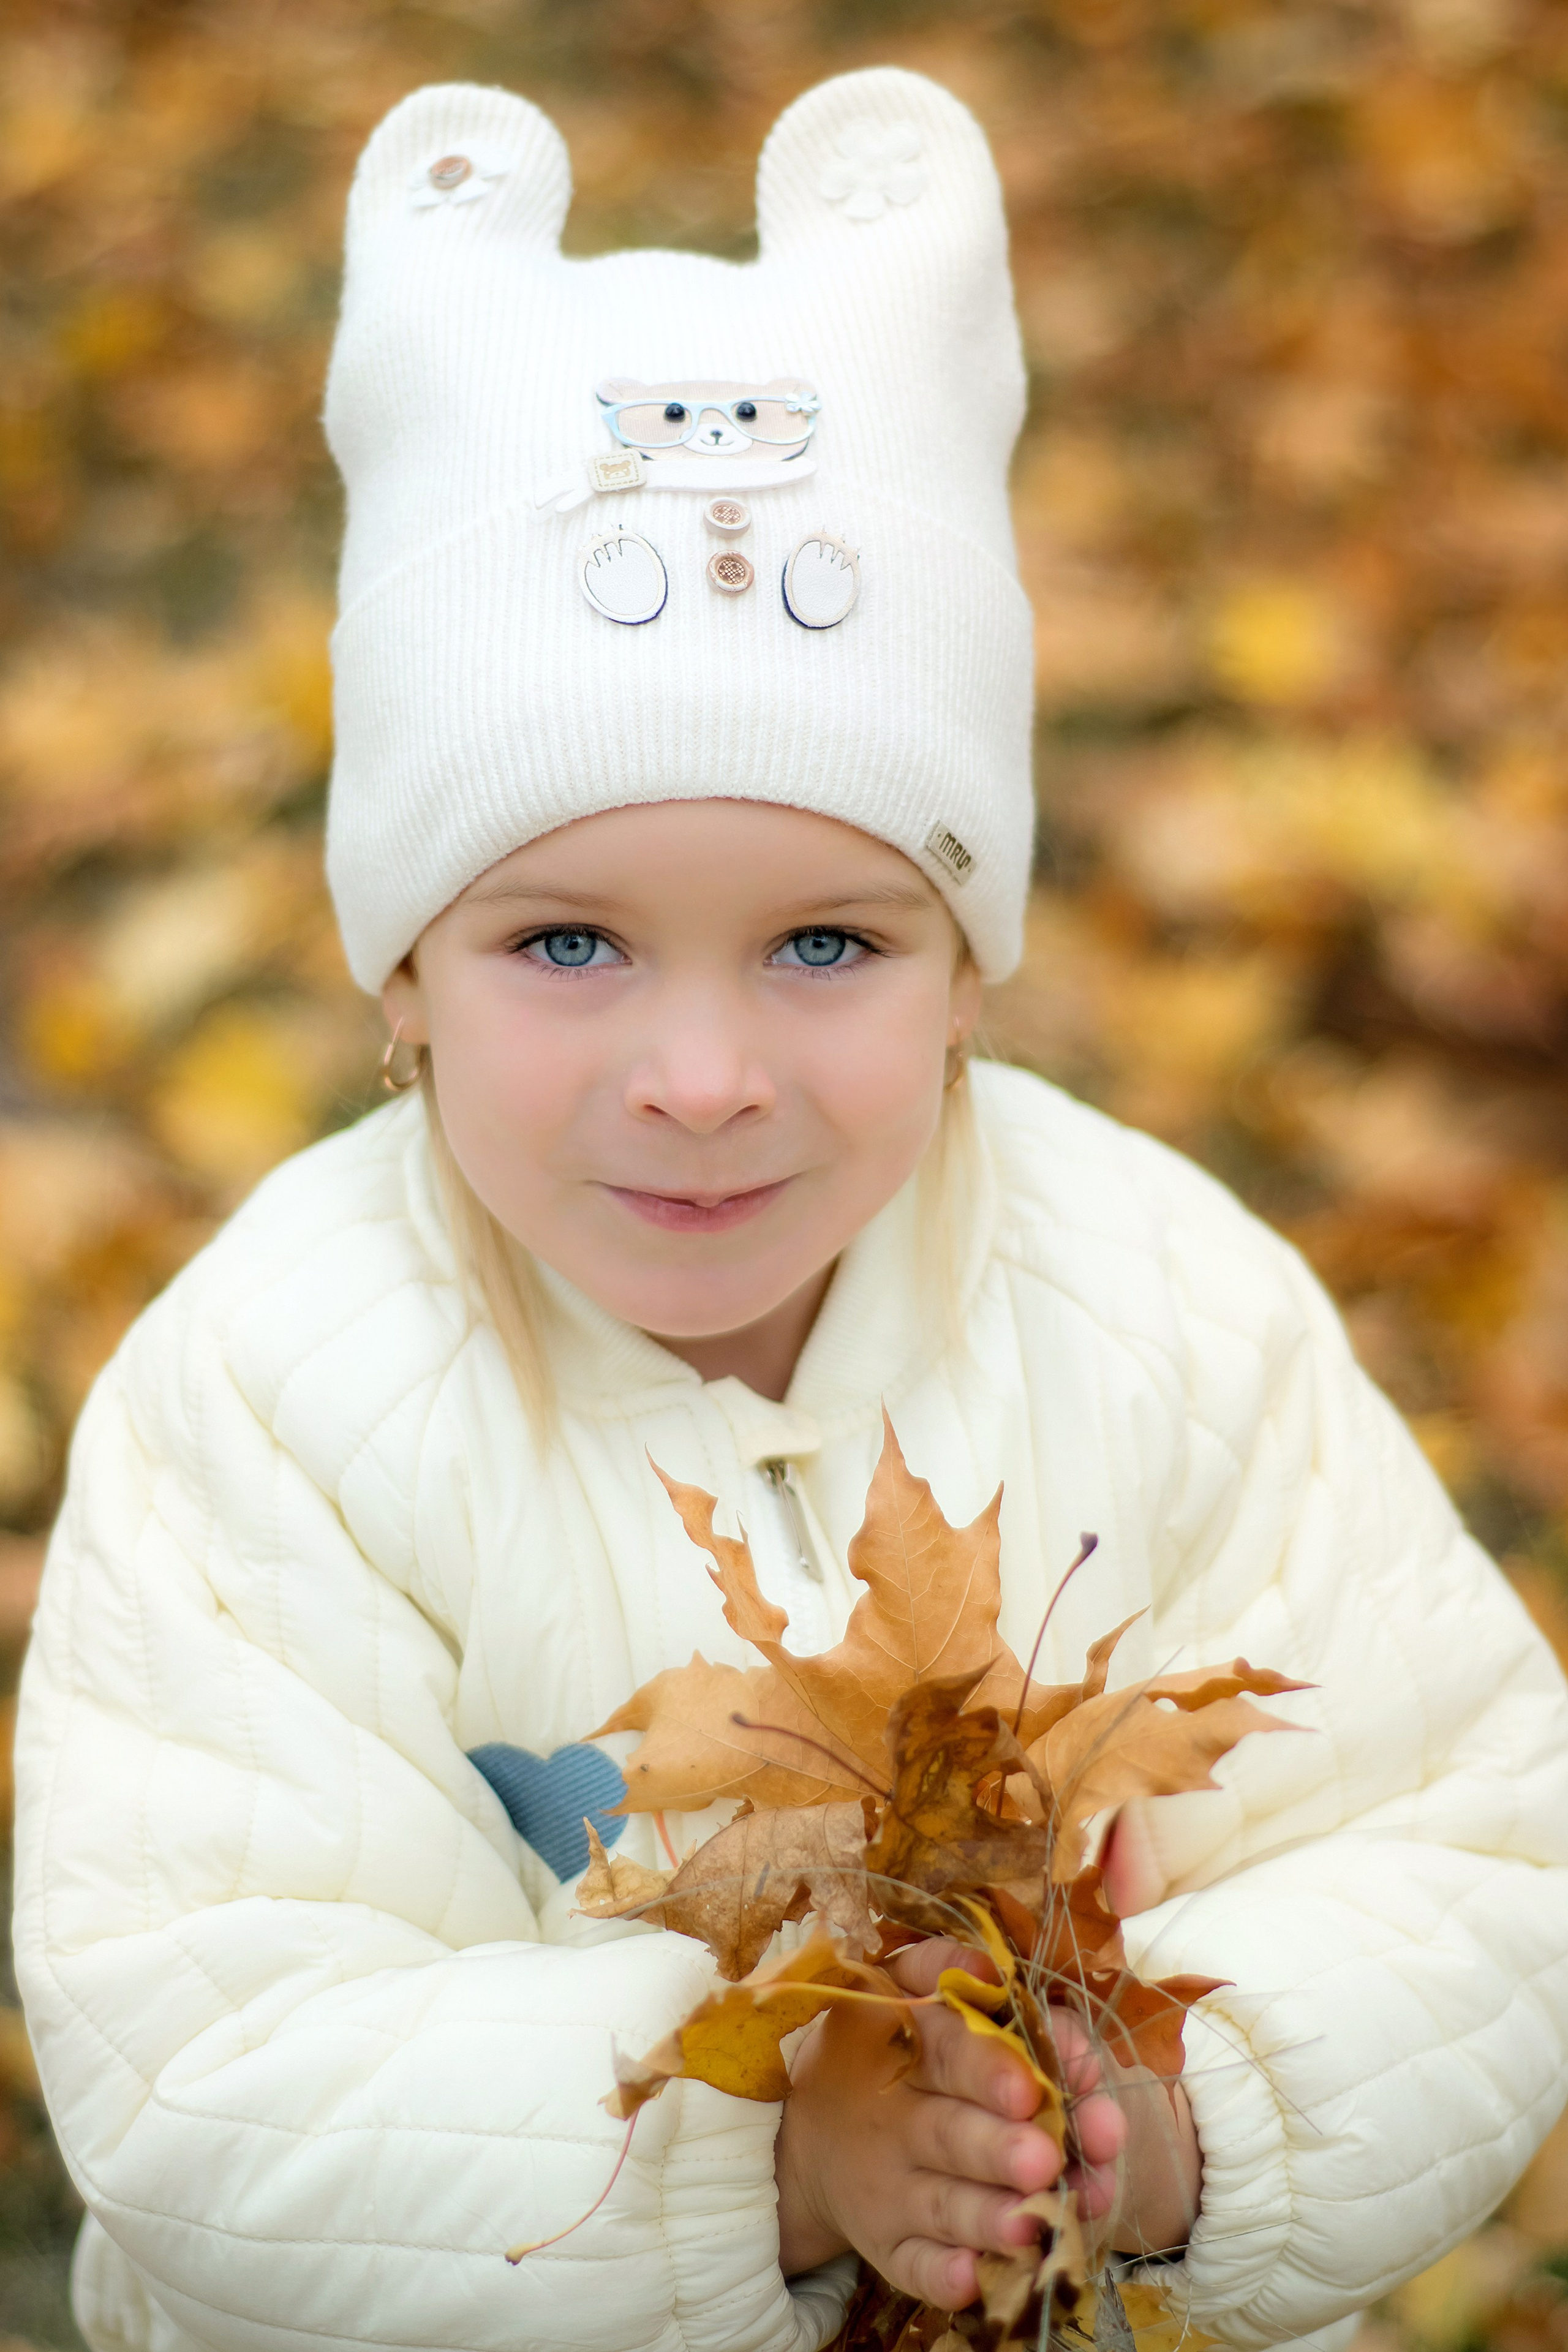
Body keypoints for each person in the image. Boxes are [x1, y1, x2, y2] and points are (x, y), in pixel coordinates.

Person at [13, 64, 1568, 2352]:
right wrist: (776, 2160)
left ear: (968, 976)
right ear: (403, 976)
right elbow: (215, 2070)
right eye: (567, 942)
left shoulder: (1163, 1304)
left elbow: (1470, 1845)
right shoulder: (275, 1399)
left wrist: (1165, 2115)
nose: (704, 1074)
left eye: (827, 943)